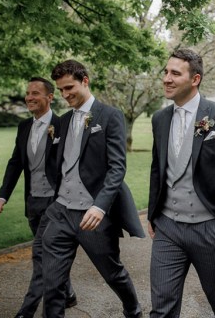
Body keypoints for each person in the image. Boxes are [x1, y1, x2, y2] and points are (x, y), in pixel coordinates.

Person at [148, 48, 215, 317]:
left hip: (209, 229)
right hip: (167, 228)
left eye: (175, 73)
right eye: (165, 72)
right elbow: (157, 169)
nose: (167, 78)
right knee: (161, 309)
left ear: (195, 79)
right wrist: (153, 214)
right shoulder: (160, 119)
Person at [41, 60, 144, 318]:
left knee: (112, 272)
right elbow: (56, 164)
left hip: (92, 215)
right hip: (61, 212)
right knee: (52, 281)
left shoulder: (110, 116)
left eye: (69, 88)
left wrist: (99, 205)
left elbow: (117, 168)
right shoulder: (62, 121)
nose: (64, 95)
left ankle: (132, 307)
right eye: (61, 90)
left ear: (85, 80)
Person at [0, 77, 76, 318]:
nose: (29, 97)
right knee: (51, 256)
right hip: (33, 202)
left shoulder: (62, 125)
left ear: (50, 97)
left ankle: (26, 311)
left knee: (41, 255)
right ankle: (68, 294)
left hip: (55, 203)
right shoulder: (23, 127)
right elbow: (16, 162)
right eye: (28, 93)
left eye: (36, 93)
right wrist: (3, 195)